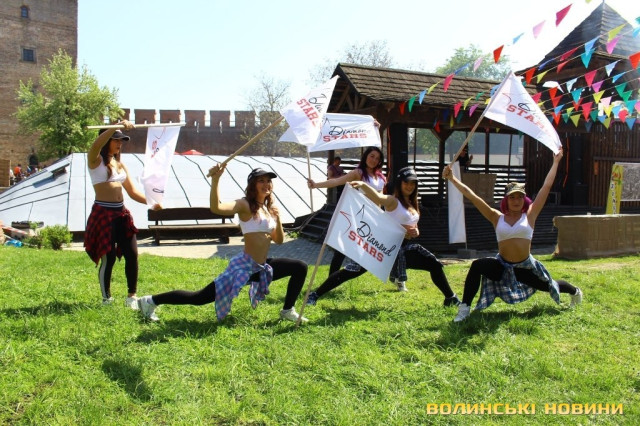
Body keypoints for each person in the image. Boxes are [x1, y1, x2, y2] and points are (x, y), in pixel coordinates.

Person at [137, 166, 309, 323]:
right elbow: (216, 208)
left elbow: (278, 240)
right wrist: (216, 179)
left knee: (299, 267)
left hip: (261, 267)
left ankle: (287, 310)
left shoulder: (266, 209)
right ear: (253, 185)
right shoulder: (244, 204)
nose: (266, 184)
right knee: (199, 298)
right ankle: (150, 301)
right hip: (244, 267)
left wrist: (278, 219)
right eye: (261, 181)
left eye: (268, 180)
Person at [442, 149, 583, 322]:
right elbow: (472, 196)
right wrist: (452, 178)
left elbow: (546, 187)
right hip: (502, 266)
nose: (516, 201)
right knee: (477, 265)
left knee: (548, 286)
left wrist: (556, 162)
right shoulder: (496, 217)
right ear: (506, 200)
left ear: (524, 200)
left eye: (519, 197)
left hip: (524, 267)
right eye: (512, 197)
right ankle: (464, 308)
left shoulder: (530, 215)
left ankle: (575, 292)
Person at [306, 167, 460, 305]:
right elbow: (379, 198)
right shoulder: (393, 201)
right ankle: (314, 295)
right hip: (384, 248)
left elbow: (414, 225)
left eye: (413, 183)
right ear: (399, 183)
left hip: (402, 250)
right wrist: (363, 185)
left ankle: (450, 298)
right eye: (406, 183)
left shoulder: (413, 203)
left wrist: (415, 232)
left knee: (433, 264)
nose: (410, 186)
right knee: (351, 271)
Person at [84, 120, 160, 308]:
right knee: (108, 257)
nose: (119, 144)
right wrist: (115, 125)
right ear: (107, 140)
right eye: (116, 140)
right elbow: (95, 145)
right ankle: (106, 298)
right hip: (103, 213)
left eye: (121, 141)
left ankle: (131, 296)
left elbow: (133, 192)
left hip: (121, 214)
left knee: (132, 254)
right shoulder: (95, 161)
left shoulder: (120, 165)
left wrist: (152, 202)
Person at [308, 146, 387, 275]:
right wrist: (316, 185)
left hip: (373, 219)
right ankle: (331, 279)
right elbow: (337, 181)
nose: (374, 160)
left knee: (369, 251)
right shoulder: (358, 173)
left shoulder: (380, 177)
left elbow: (381, 199)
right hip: (358, 217)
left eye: (377, 158)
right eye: (372, 156)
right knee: (342, 249)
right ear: (366, 156)